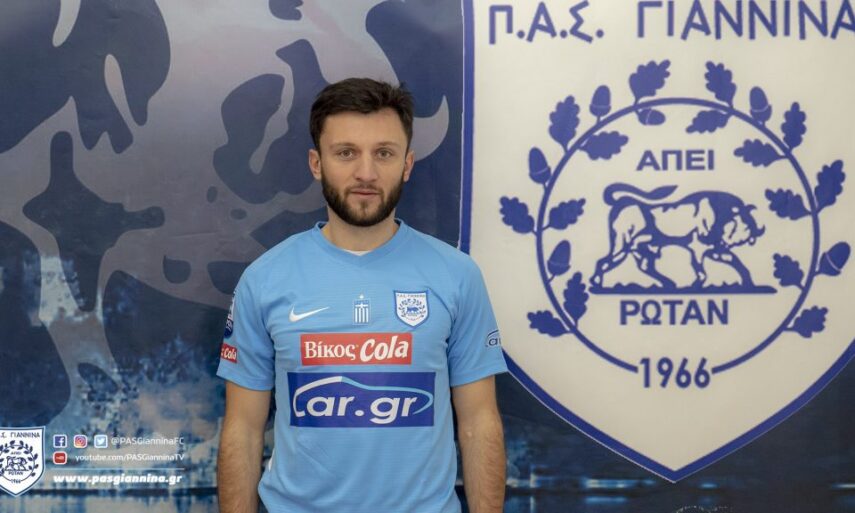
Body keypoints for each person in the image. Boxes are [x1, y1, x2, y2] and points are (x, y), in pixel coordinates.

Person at [216, 78, 507, 513]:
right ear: (317, 163)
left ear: (407, 164)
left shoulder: (456, 275)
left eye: (383, 153)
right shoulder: (265, 279)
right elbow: (243, 428)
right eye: (346, 153)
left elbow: (479, 422)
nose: (366, 173)